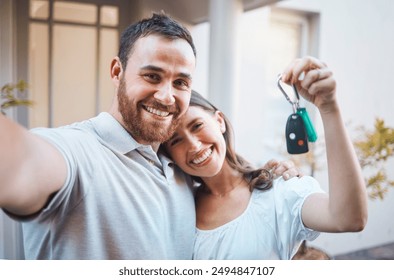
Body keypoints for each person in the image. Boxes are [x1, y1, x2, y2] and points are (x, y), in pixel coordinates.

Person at [0, 12, 297, 260]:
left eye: (180, 82)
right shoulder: (78, 152)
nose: (167, 97)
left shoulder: (177, 169)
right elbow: (23, 162)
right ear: (117, 71)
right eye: (152, 76)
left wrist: (267, 175)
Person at [163, 56, 368, 260]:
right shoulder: (178, 205)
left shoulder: (278, 190)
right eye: (175, 141)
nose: (194, 146)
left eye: (197, 126)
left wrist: (329, 107)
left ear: (219, 121)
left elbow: (348, 218)